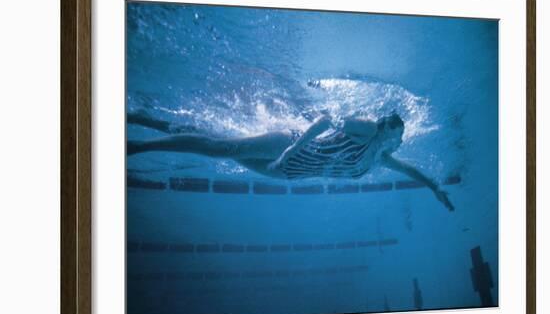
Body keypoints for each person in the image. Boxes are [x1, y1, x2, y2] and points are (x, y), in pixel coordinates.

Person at [127, 110, 454, 211]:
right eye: (394, 134)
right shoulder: (367, 131)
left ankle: (146, 120)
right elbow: (326, 120)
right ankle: (138, 146)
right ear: (384, 128)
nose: (396, 142)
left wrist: (434, 187)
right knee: (220, 148)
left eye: (398, 139)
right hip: (289, 148)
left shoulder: (379, 158)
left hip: (287, 173)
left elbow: (411, 170)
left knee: (214, 140)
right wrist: (289, 150)